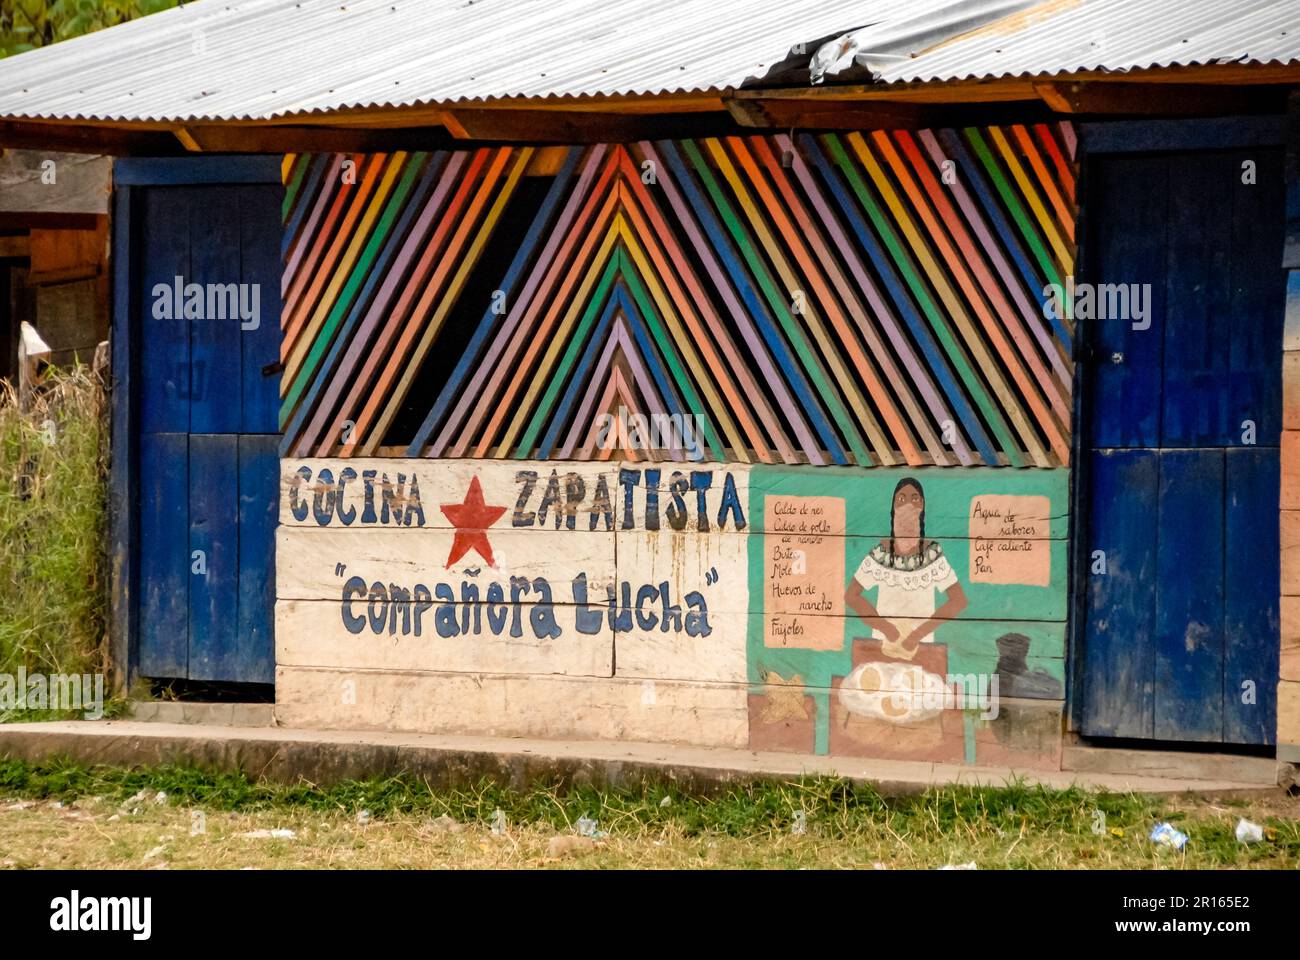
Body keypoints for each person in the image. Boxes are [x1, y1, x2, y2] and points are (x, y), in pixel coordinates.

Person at [844, 477, 967, 661]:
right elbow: (851, 596)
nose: (908, 504)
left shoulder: (931, 553)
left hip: (922, 650)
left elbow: (958, 600)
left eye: (914, 498)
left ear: (922, 506)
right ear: (893, 508)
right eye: (901, 499)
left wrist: (917, 634)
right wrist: (887, 629)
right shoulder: (882, 551)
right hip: (883, 648)